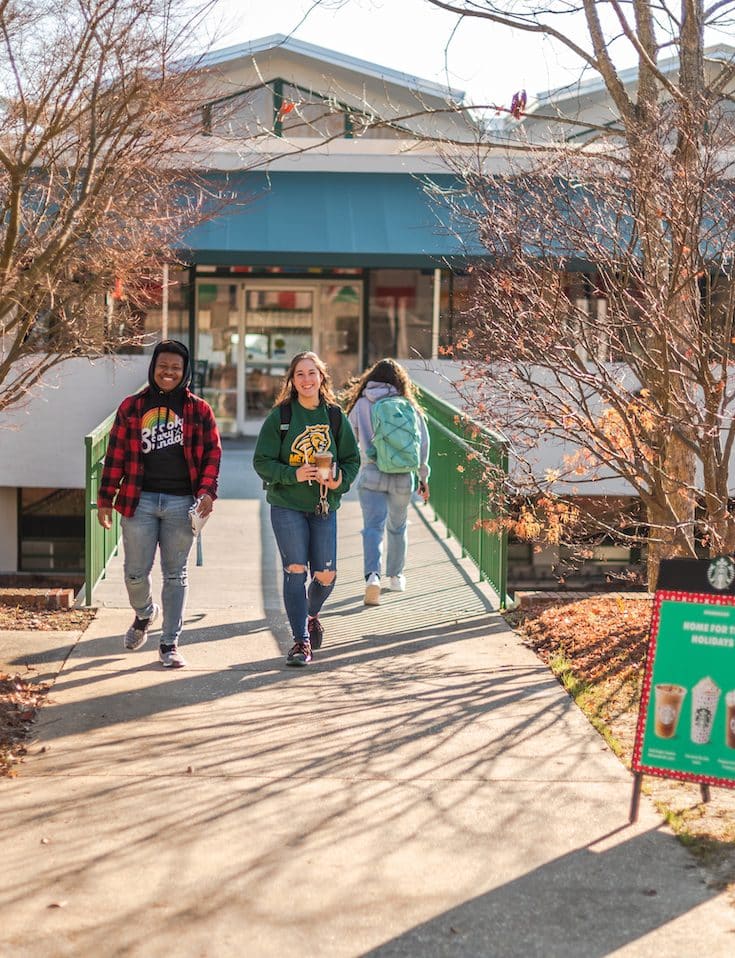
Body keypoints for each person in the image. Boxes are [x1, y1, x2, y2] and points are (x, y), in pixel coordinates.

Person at [97, 339, 222, 668]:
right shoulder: (132, 407)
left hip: (183, 503)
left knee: (175, 574)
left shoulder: (199, 410)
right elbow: (116, 456)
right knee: (134, 574)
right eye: (163, 366)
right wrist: (105, 499)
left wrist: (207, 491)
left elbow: (212, 454)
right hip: (140, 501)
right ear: (153, 368)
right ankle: (144, 614)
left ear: (185, 372)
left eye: (176, 368)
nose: (169, 372)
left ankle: (169, 643)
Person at [253, 351, 360, 666]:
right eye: (300, 374)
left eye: (312, 373)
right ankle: (300, 642)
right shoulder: (281, 418)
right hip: (287, 504)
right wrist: (292, 474)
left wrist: (341, 480)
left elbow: (353, 460)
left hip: (324, 505)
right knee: (296, 569)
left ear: (322, 377)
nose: (306, 379)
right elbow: (261, 461)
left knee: (326, 575)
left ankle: (310, 614)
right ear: (292, 379)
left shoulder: (335, 416)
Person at [344, 358, 430, 606]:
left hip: (371, 474)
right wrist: (423, 477)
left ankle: (372, 575)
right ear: (399, 381)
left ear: (370, 379)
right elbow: (422, 443)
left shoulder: (361, 404)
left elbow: (349, 440)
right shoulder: (408, 405)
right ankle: (396, 576)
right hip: (403, 476)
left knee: (372, 528)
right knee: (398, 526)